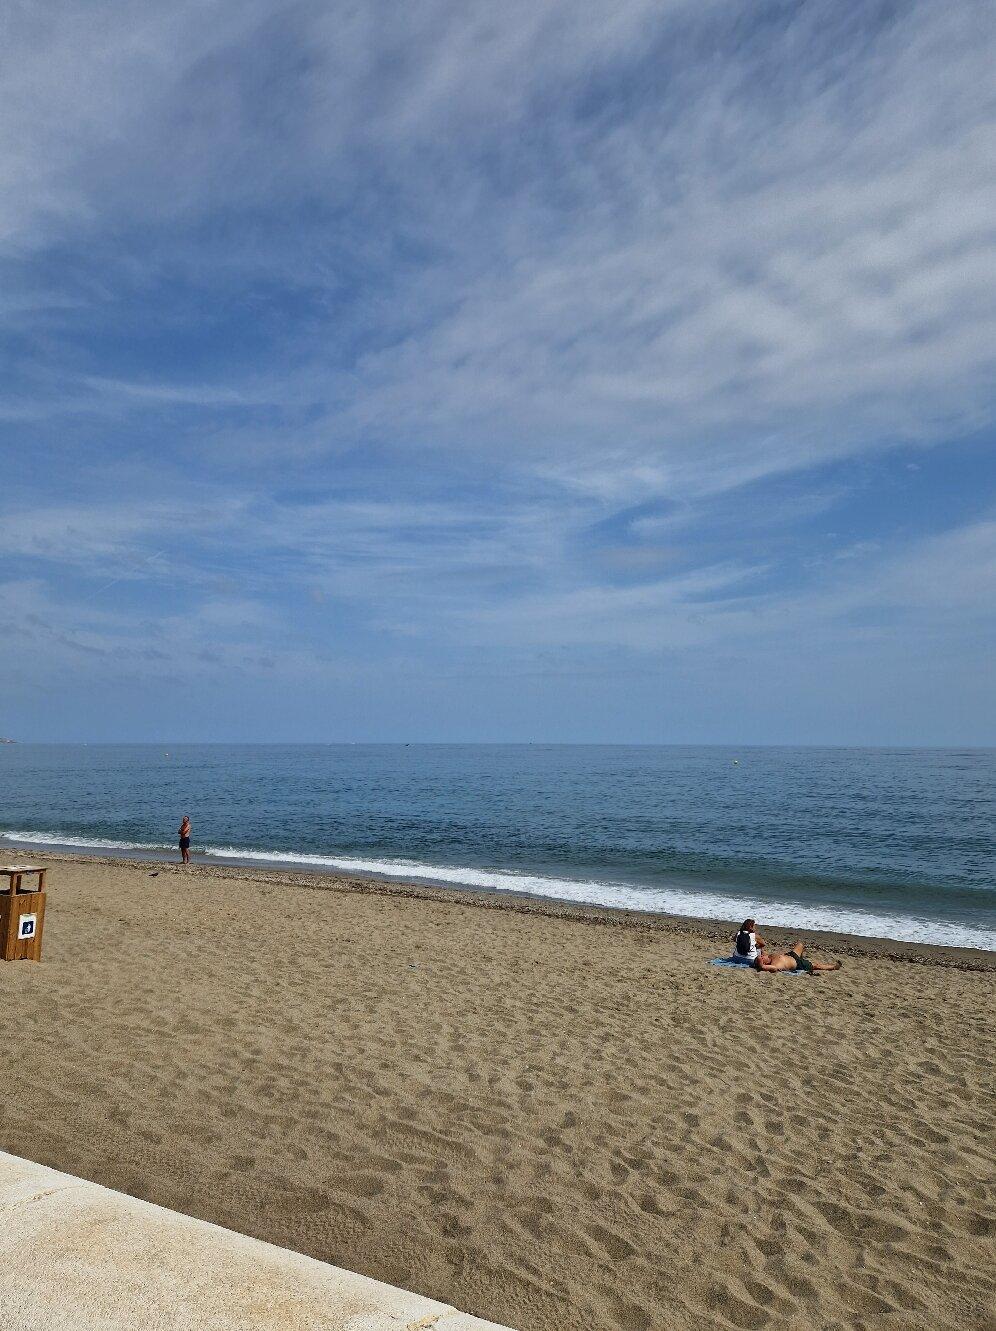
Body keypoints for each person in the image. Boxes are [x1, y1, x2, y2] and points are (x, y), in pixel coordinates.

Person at [753, 941, 841, 975]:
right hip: (797, 964)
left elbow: (761, 947)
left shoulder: (768, 956)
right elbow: (771, 968)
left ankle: (801, 957)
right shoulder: (775, 965)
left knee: (800, 944)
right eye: (761, 958)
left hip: (791, 955)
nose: (761, 956)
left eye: (760, 956)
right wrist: (761, 965)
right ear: (763, 963)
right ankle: (833, 967)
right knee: (816, 966)